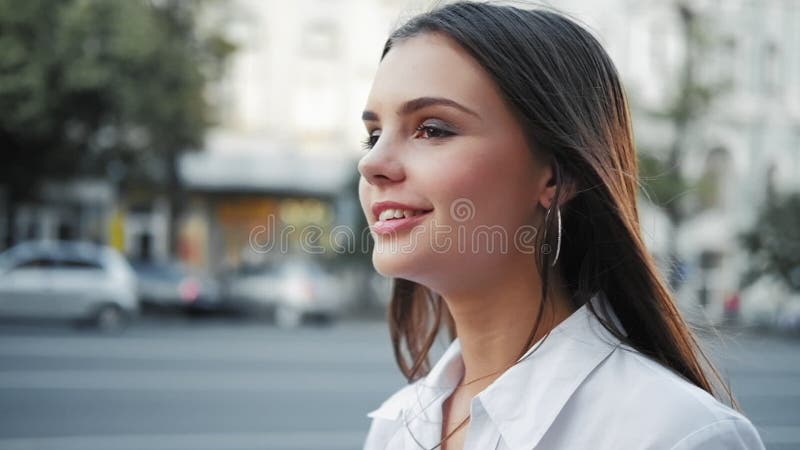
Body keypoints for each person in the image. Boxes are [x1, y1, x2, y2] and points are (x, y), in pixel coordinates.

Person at [356, 2, 765, 450]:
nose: (372, 162)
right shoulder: (396, 428)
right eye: (374, 135)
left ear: (555, 176)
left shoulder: (677, 435)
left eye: (432, 129)